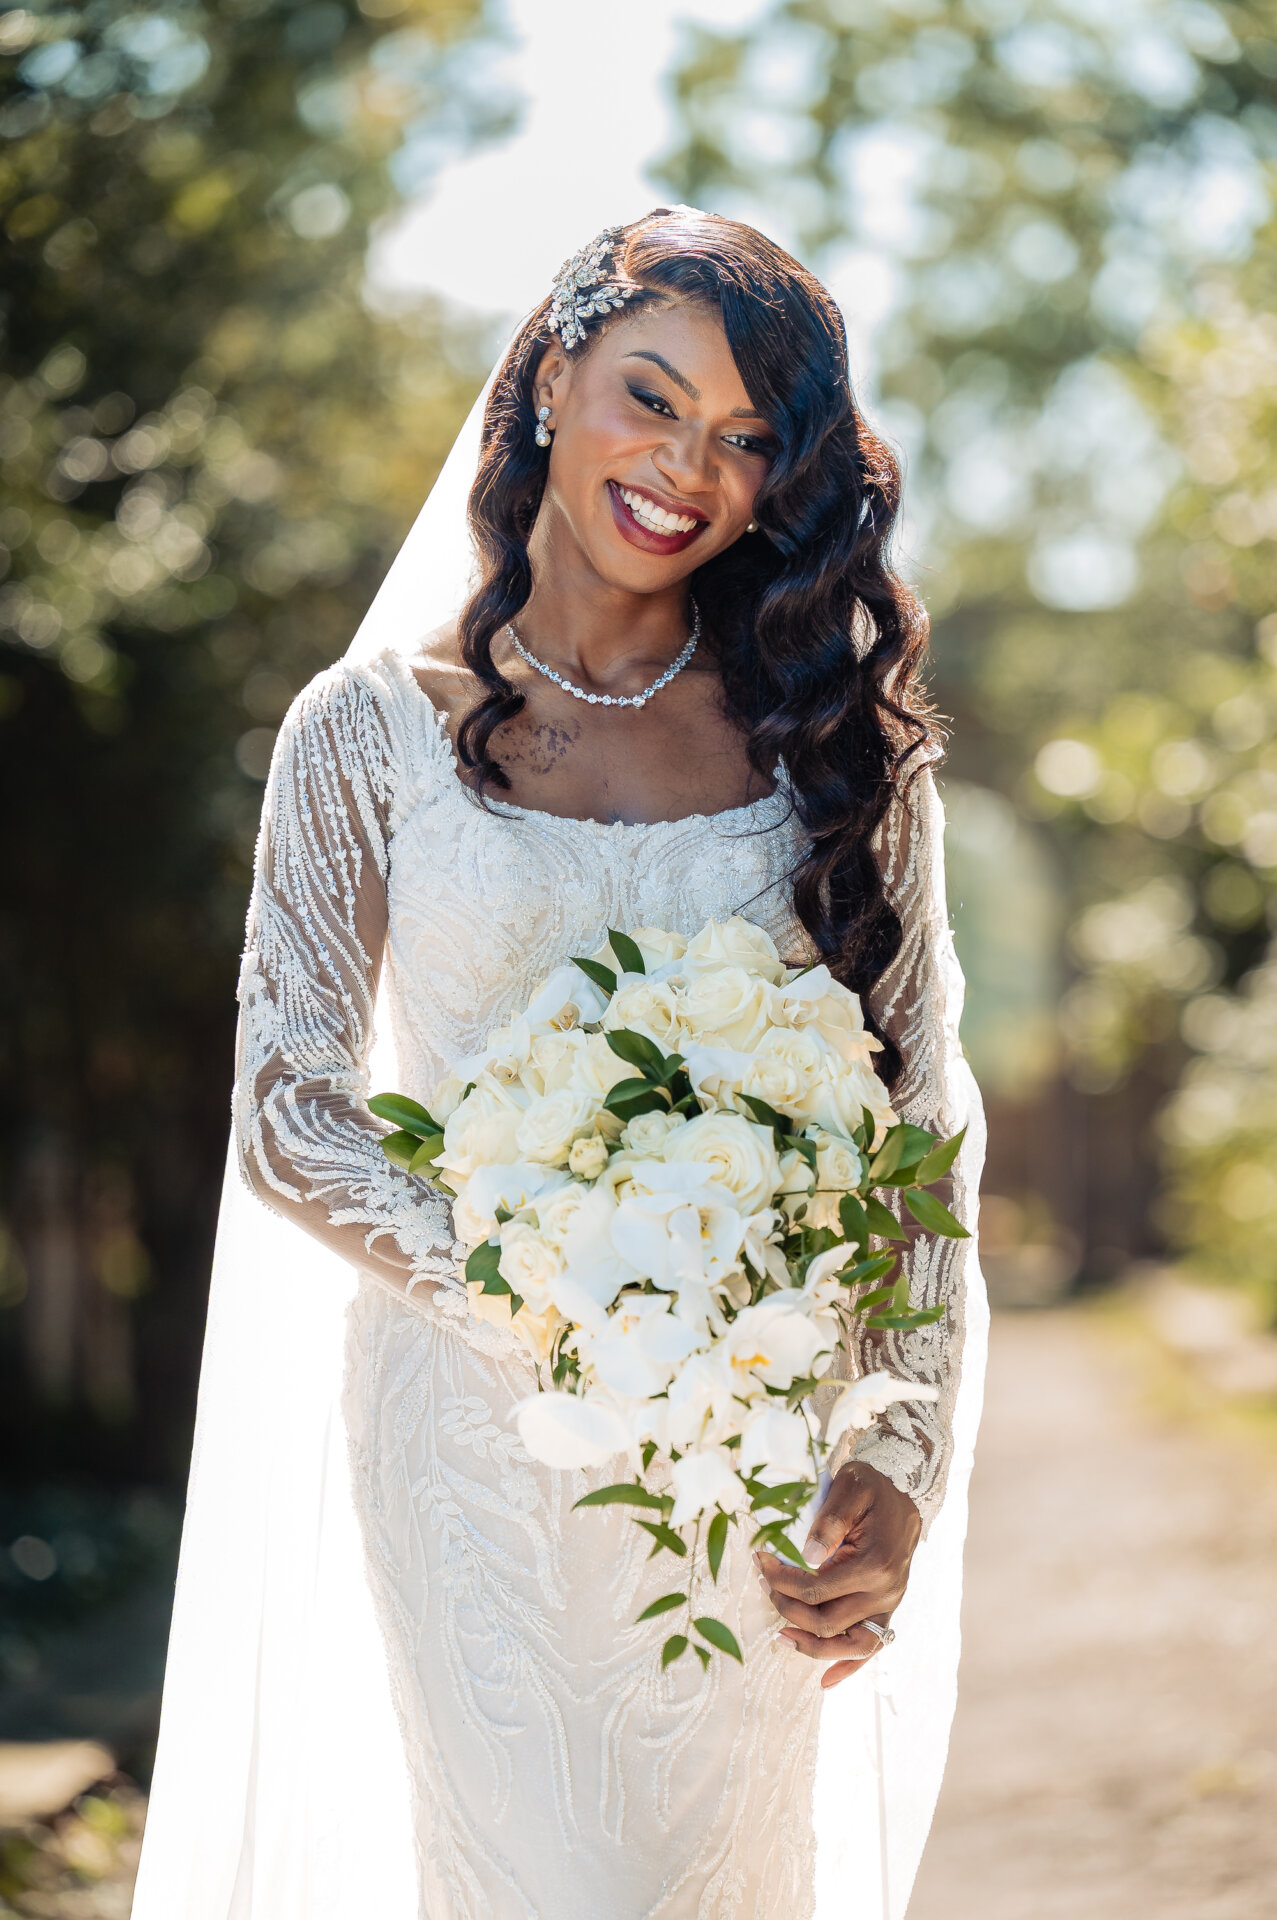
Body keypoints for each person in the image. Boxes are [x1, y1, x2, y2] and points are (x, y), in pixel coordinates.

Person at [132, 208, 986, 1920]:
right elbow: (291, 1114)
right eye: (647, 399)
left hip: (749, 1450)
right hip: (474, 1438)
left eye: (745, 439)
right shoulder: (362, 727)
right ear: (544, 383)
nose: (686, 469)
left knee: (707, 1879)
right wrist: (557, 1294)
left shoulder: (833, 740)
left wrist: (889, 1460)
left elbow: (915, 1142)